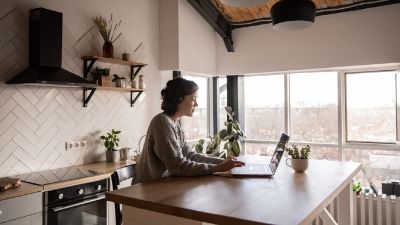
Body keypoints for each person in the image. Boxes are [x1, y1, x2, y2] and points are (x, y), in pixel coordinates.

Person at [133, 78, 245, 184]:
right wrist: (218, 168)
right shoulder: (163, 123)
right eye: (193, 99)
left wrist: (222, 162)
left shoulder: (174, 124)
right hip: (144, 193)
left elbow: (190, 155)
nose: (196, 104)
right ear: (179, 99)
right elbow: (177, 166)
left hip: (162, 186)